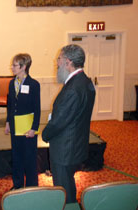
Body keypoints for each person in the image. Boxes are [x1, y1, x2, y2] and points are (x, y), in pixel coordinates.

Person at [42, 44, 96, 203]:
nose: (56, 62)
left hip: (65, 149)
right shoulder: (85, 81)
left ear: (68, 62)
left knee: (64, 191)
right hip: (76, 144)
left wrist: (45, 134)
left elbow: (59, 122)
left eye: (59, 59)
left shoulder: (73, 88)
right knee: (68, 186)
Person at [5, 53, 40, 190]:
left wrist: (34, 128)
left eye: (14, 65)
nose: (12, 67)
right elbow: (10, 104)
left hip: (28, 128)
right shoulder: (11, 83)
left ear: (24, 67)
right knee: (17, 157)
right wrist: (8, 122)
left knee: (30, 159)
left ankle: (32, 187)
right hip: (15, 126)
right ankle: (18, 185)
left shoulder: (34, 84)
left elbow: (37, 108)